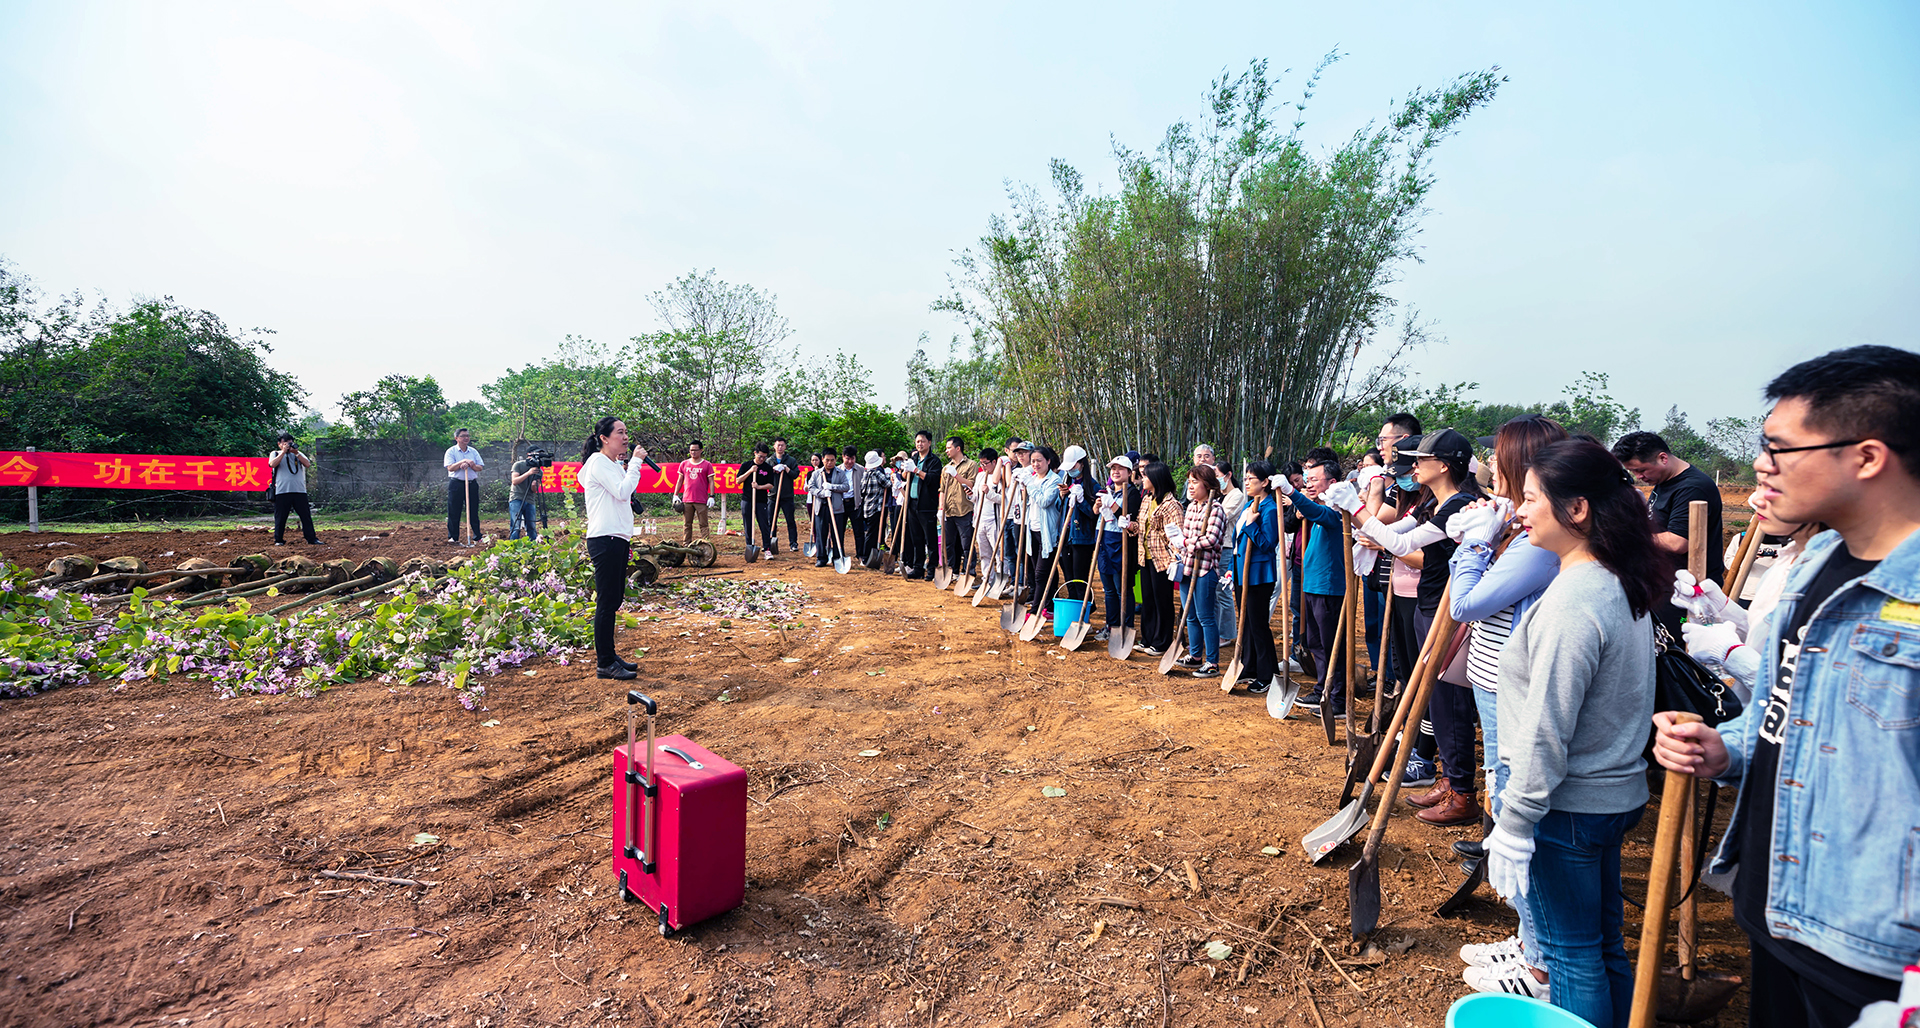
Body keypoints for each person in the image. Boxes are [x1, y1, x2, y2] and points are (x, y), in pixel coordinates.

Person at [1653, 345, 1920, 1028]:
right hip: (1777, 901)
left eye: (1779, 449)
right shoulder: (1819, 561)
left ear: (1866, 456)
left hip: (1878, 952)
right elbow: (1784, 706)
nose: (1761, 468)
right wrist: (1725, 748)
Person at [1485, 438, 1667, 1028]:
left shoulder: (1574, 598)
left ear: (1578, 509)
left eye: (1532, 498)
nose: (1519, 509)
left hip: (1563, 805)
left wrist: (1515, 822)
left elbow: (1546, 725)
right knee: (1601, 944)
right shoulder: (1620, 580)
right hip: (1611, 794)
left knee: (1570, 954)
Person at [1441, 414, 1568, 999]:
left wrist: (1471, 547)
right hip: (1495, 683)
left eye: (1497, 458)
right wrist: (1489, 538)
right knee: (1502, 794)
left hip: (1508, 690)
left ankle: (1540, 962)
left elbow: (1468, 603)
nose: (1487, 467)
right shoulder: (1518, 531)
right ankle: (1528, 940)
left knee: (1513, 804)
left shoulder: (1539, 544)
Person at [1335, 428, 1486, 825]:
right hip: (1429, 604)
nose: (1413, 465)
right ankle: (1450, 779)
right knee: (1432, 694)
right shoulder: (1433, 504)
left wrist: (1358, 508)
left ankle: (1463, 791)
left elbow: (1401, 546)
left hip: (1449, 608)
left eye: (1421, 460)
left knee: (1450, 700)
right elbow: (1391, 534)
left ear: (1444, 465)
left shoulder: (1462, 505)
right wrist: (1359, 517)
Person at [1672, 487, 1820, 704]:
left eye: (1774, 485)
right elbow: (1769, 641)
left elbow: (1808, 698)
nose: (1755, 499)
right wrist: (1725, 610)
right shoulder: (1784, 563)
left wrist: (1730, 653)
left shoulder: (1835, 579)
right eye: (1759, 484)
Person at [1612, 430, 1723, 638]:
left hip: (1686, 595)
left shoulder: (1692, 488)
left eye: (1642, 470)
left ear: (1663, 458)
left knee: (1676, 652)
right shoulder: (1663, 482)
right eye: (1634, 472)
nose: (1639, 477)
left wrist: (1626, 536)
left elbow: (1678, 542)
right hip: (1664, 587)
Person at [1274, 459, 1348, 715]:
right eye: (1309, 479)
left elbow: (1318, 513)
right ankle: (1322, 688)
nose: (1309, 484)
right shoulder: (1319, 508)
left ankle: (1337, 698)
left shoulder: (1337, 511)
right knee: (1315, 642)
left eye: (1315, 479)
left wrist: (1291, 492)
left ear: (1332, 483)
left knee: (1332, 645)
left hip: (1328, 588)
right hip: (1312, 585)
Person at [578, 417, 650, 681]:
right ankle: (605, 662)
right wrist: (636, 463)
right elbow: (622, 491)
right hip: (605, 538)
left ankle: (610, 655)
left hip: (616, 537)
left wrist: (628, 467)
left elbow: (624, 492)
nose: (625, 437)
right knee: (607, 602)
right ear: (604, 439)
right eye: (620, 433)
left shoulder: (610, 464)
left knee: (615, 598)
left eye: (626, 432)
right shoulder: (598, 462)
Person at [1231, 459, 1281, 692]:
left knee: (1258, 624)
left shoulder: (1270, 509)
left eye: (1251, 479)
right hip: (1243, 571)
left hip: (1259, 575)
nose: (1247, 482)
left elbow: (1268, 544)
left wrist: (1252, 526)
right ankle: (1249, 666)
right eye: (1246, 478)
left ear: (1265, 482)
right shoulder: (1249, 504)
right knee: (1247, 622)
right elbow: (1237, 539)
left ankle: (1268, 673)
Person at [1176, 464, 1227, 678]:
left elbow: (1212, 540)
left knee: (1206, 616)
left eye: (1195, 482)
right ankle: (1195, 655)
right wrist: (1184, 542)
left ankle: (1212, 662)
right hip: (1188, 567)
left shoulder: (1215, 509)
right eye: (1189, 481)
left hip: (1206, 569)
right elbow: (1185, 537)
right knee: (1190, 615)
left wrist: (1188, 541)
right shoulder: (1191, 507)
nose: (1190, 485)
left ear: (1207, 484)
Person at [1137, 461, 1183, 656]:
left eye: (1146, 476)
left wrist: (1175, 559)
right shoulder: (1147, 499)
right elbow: (1142, 526)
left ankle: (1162, 641)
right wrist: (1131, 527)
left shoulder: (1172, 505)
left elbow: (1176, 535)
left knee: (1162, 600)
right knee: (1147, 599)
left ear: (1156, 479)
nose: (1142, 479)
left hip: (1162, 559)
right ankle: (1147, 638)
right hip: (1145, 556)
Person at [1096, 455, 1142, 644]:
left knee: (1122, 588)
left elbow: (1126, 520)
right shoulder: (1107, 490)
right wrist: (1098, 504)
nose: (1115, 471)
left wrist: (1112, 504)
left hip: (1120, 543)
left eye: (1120, 469)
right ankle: (1111, 625)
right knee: (1108, 590)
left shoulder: (1131, 493)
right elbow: (1095, 514)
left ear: (1129, 473)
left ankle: (1126, 626)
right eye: (1113, 468)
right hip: (1104, 540)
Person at [1022, 445, 1067, 621]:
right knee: (1042, 571)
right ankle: (1049, 606)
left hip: (1047, 533)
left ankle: (1035, 610)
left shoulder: (1054, 480)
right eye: (1033, 461)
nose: (1035, 464)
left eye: (1039, 460)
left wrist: (1029, 486)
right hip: (1032, 530)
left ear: (1048, 461)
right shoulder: (1033, 479)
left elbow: (1044, 501)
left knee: (1041, 573)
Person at [1059, 446, 1098, 613]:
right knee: (1068, 575)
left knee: (1079, 576)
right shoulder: (1068, 483)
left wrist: (1082, 501)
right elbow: (1061, 511)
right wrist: (1062, 497)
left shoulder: (1093, 487)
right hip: (1066, 535)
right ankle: (1075, 607)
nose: (1071, 470)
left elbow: (1093, 515)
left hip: (1082, 537)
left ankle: (1084, 610)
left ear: (1082, 464)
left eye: (1073, 466)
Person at [268, 431, 322, 546]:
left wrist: (296, 453)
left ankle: (312, 539)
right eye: (285, 443)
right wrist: (283, 452)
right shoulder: (275, 453)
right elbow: (272, 464)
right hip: (282, 490)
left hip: (299, 491)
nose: (288, 446)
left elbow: (307, 464)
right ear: (279, 444)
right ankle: (279, 540)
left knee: (305, 516)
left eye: (290, 443)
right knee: (280, 517)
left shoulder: (298, 453)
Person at [904, 431, 940, 580]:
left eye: (923, 441)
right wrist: (906, 470)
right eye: (917, 441)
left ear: (929, 443)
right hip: (912, 504)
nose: (919, 444)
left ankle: (931, 569)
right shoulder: (914, 458)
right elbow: (905, 476)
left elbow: (932, 479)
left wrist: (916, 470)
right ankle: (918, 568)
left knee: (930, 539)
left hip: (926, 505)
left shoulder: (934, 461)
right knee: (916, 538)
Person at [941, 436, 976, 582]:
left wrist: (956, 475)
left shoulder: (971, 465)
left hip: (964, 510)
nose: (946, 450)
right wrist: (941, 508)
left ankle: (969, 572)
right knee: (949, 543)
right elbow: (942, 490)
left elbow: (972, 484)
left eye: (949, 447)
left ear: (958, 448)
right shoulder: (946, 468)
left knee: (967, 544)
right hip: (949, 511)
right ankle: (952, 571)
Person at [809, 448, 851, 566]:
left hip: (836, 508)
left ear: (836, 460)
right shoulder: (816, 473)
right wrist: (822, 493)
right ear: (822, 460)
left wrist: (832, 487)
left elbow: (846, 487)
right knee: (821, 533)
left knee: (837, 534)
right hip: (821, 507)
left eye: (832, 460)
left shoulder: (840, 473)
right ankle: (821, 558)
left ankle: (837, 557)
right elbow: (811, 487)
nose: (829, 463)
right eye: (827, 460)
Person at [444, 427, 484, 545]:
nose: (466, 438)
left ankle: (477, 537)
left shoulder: (473, 451)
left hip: (471, 484)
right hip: (456, 483)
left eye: (467, 436)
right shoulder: (451, 451)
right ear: (457, 438)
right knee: (454, 511)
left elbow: (480, 467)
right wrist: (462, 462)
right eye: (463, 436)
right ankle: (453, 537)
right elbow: (450, 467)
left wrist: (471, 465)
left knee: (473, 511)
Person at [673, 440, 716, 543]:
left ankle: (706, 544)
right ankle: (686, 545)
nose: (693, 452)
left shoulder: (707, 465)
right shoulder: (684, 464)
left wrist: (712, 496)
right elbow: (680, 480)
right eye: (691, 450)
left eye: (695, 450)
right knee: (687, 524)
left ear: (701, 450)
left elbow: (711, 481)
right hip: (687, 499)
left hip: (701, 500)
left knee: (703, 524)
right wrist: (675, 494)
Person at [770, 437, 802, 553]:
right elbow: (765, 475)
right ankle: (770, 542)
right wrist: (772, 470)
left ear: (785, 447)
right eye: (778, 445)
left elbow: (795, 474)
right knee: (771, 520)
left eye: (782, 445)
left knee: (790, 521)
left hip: (787, 496)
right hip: (773, 495)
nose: (780, 447)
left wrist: (787, 469)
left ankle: (793, 543)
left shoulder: (791, 460)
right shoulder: (770, 461)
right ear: (774, 446)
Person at [747, 444, 778, 556]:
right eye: (760, 456)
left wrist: (759, 487)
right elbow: (738, 480)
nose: (762, 459)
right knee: (748, 524)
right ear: (755, 453)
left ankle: (767, 548)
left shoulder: (767, 468)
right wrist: (750, 471)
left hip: (761, 500)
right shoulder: (747, 465)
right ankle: (750, 547)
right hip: (747, 500)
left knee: (764, 524)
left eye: (764, 457)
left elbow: (770, 485)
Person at [507, 440, 540, 542]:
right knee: (516, 526)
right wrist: (528, 473)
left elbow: (534, 490)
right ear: (528, 455)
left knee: (531, 526)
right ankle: (513, 547)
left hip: (530, 500)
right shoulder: (519, 465)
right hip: (516, 498)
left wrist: (534, 485)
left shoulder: (539, 470)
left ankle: (533, 548)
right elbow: (514, 481)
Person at [859, 451, 888, 562]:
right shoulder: (877, 474)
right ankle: (866, 557)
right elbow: (888, 484)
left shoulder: (865, 474)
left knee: (871, 532)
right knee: (872, 533)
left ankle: (870, 555)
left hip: (866, 507)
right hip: (875, 507)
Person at [842, 445, 868, 562]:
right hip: (841, 504)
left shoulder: (861, 470)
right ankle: (839, 553)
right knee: (839, 529)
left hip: (855, 503)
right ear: (843, 457)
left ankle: (860, 554)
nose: (850, 462)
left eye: (852, 459)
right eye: (847, 458)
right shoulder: (837, 470)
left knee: (858, 530)